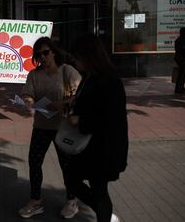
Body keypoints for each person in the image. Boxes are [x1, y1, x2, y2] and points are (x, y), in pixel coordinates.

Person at [66, 34, 128, 222]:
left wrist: (80, 120)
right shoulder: (89, 77)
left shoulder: (109, 81)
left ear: (89, 57)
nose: (75, 63)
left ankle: (105, 215)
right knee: (74, 182)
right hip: (88, 146)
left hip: (104, 148)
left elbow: (111, 118)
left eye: (77, 58)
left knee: (99, 190)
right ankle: (105, 213)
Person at [18, 37, 81, 219]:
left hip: (63, 127)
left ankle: (72, 200)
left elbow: (80, 95)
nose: (42, 57)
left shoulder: (67, 71)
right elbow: (28, 93)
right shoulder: (34, 75)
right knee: (34, 161)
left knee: (66, 164)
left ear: (53, 52)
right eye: (38, 54)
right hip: (41, 126)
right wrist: (29, 101)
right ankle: (35, 200)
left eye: (45, 52)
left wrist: (60, 104)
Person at [174, 27, 185, 94]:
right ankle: (179, 88)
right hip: (181, 59)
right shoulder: (183, 41)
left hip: (180, 58)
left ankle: (180, 86)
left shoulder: (179, 40)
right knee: (182, 72)